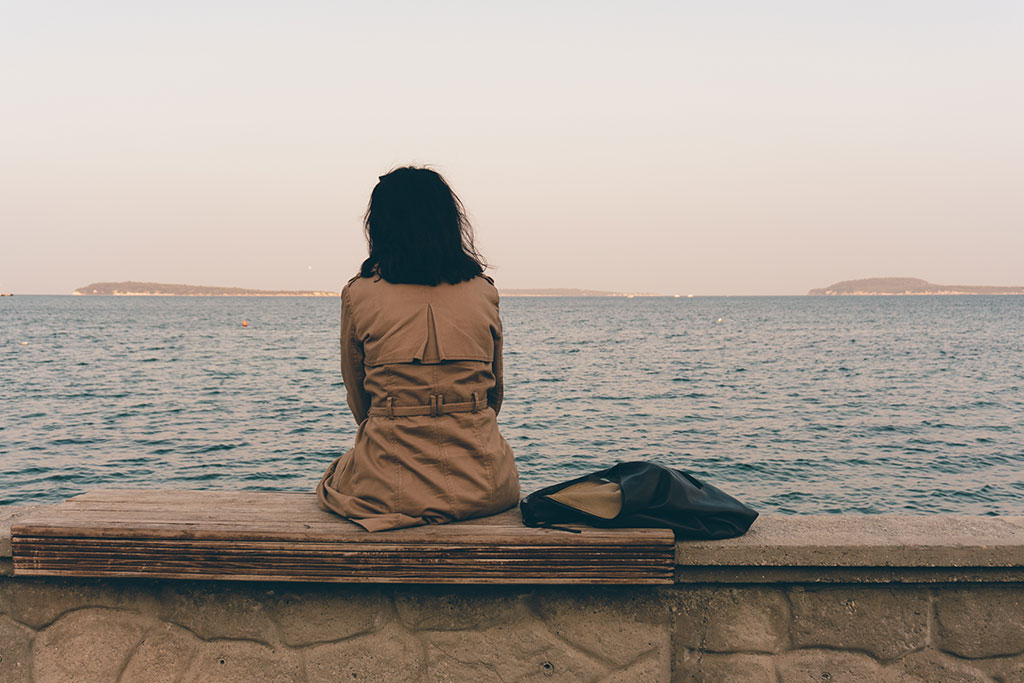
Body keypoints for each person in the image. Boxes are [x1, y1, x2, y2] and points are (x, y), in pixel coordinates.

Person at [316, 166, 521, 531]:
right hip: (486, 483)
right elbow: (495, 394)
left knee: (336, 476)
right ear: (449, 222)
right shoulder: (483, 291)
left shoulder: (360, 293)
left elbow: (359, 396)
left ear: (380, 225)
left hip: (388, 486)